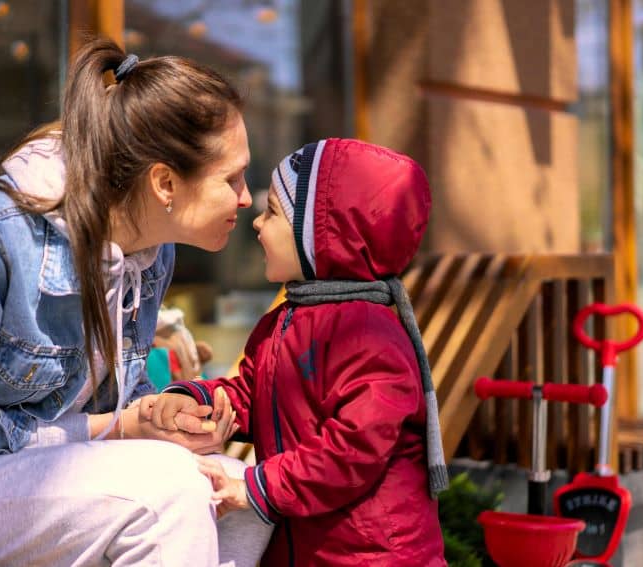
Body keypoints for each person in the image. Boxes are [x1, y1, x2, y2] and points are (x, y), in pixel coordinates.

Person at [0, 38, 272, 566]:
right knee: (167, 492)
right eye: (232, 178)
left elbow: (110, 395)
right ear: (165, 183)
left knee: (238, 489)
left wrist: (159, 413)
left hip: (30, 482)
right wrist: (119, 428)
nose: (247, 198)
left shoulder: (148, 255)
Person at [154, 138, 450, 566]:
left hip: (374, 555)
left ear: (321, 236)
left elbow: (354, 446)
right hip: (312, 547)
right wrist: (198, 399)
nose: (256, 223)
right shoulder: (285, 321)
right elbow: (254, 396)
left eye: (273, 211)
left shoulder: (367, 332)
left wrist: (260, 487)